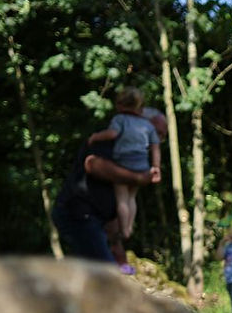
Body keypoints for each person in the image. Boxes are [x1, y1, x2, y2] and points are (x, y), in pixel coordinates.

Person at [50, 129, 157, 264]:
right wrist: (137, 178)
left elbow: (120, 201)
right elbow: (91, 163)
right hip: (79, 213)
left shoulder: (137, 157)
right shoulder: (112, 140)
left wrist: (117, 243)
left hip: (97, 219)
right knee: (105, 270)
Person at [88, 86, 160, 246]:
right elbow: (155, 146)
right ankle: (130, 227)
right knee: (131, 197)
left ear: (120, 104)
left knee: (121, 198)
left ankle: (124, 230)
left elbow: (112, 134)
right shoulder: (147, 124)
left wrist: (96, 137)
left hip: (123, 164)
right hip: (141, 167)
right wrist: (156, 167)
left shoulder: (119, 119)